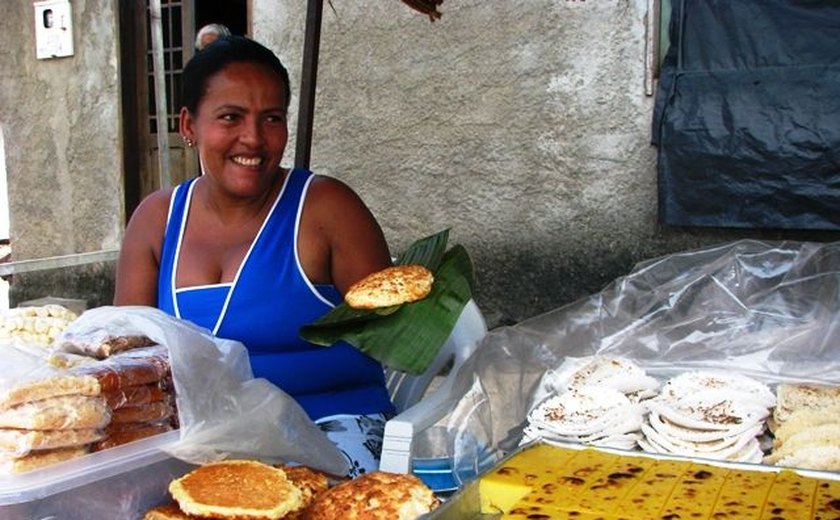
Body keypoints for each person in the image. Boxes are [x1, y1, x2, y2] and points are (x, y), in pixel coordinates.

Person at [114, 35, 395, 476]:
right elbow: (126, 358)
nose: (254, 139)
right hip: (205, 439)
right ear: (188, 126)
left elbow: (398, 332)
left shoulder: (325, 210)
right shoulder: (157, 219)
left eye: (271, 119)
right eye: (230, 117)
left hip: (331, 425)